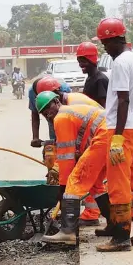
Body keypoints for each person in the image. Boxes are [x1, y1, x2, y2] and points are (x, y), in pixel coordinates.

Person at [95, 18, 133, 252]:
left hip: (122, 130)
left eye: (105, 43)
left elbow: (123, 99)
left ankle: (120, 238)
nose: (104, 48)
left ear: (114, 39)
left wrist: (117, 137)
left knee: (119, 184)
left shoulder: (120, 63)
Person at [35, 92, 111, 244]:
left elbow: (66, 159)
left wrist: (62, 189)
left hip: (104, 136)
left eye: (48, 108)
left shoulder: (61, 118)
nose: (48, 114)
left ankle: (67, 232)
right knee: (95, 184)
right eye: (44, 113)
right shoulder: (68, 113)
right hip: (109, 135)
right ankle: (114, 224)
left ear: (57, 102)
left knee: (75, 180)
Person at [29, 76, 100, 148]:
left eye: (48, 109)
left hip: (100, 132)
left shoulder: (73, 105)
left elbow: (78, 136)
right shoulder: (64, 102)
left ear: (55, 99)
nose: (48, 116)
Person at [78, 42, 109, 108]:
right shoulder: (90, 78)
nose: (80, 65)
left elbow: (104, 106)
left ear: (92, 61)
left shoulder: (100, 80)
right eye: (79, 62)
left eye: (83, 62)